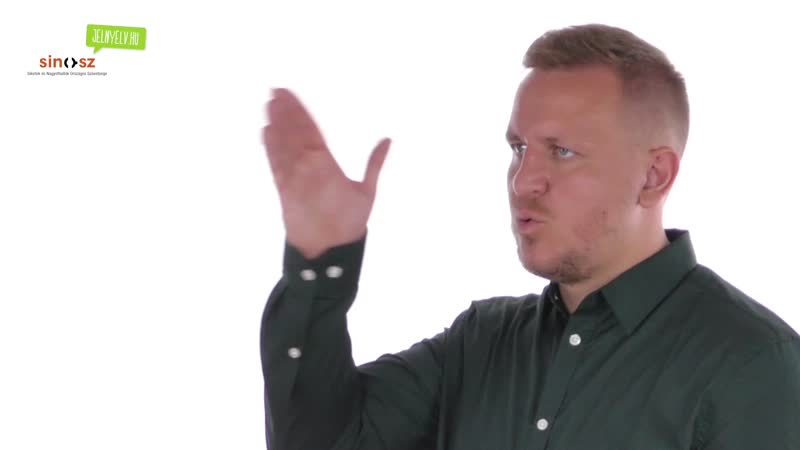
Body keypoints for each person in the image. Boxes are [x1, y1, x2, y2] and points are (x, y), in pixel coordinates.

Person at [259, 23, 800, 450]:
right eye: (519, 148)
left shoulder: (752, 363)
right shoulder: (479, 344)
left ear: (653, 176)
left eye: (561, 151)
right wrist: (319, 261)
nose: (523, 181)